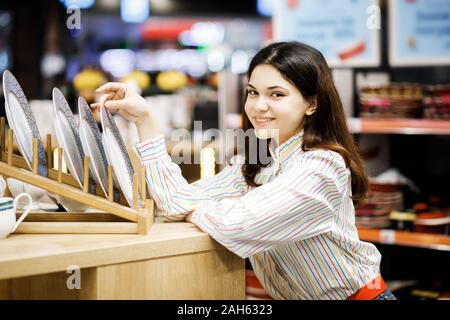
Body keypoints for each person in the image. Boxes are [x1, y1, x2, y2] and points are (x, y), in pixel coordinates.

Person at [91, 41, 396, 300]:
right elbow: (173, 202)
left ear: (312, 104)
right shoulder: (258, 162)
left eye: (276, 94)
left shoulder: (323, 168)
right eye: (253, 92)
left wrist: (197, 209)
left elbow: (237, 226)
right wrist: (145, 120)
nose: (259, 106)